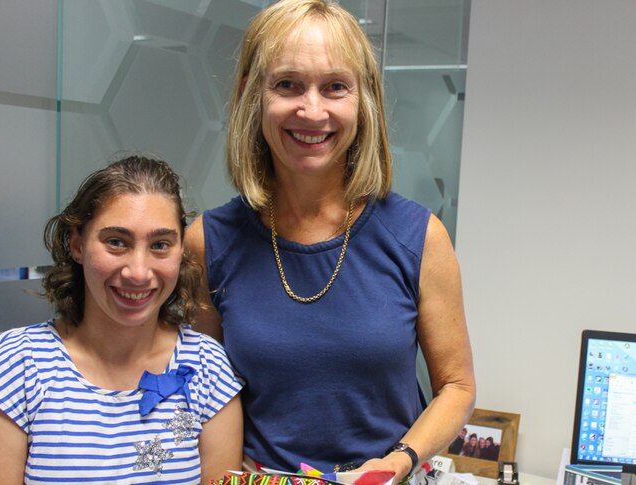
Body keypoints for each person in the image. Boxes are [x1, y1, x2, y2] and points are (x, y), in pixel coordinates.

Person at [186, 0, 475, 480]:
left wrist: (396, 463)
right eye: (287, 85)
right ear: (251, 94)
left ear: (364, 101)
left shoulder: (419, 237)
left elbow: (458, 386)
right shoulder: (209, 242)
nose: (312, 110)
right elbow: (204, 393)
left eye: (336, 87)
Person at [0, 156, 244, 484]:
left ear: (180, 252)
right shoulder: (14, 368)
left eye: (160, 245)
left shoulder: (207, 368)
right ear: (77, 245)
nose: (138, 272)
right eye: (116, 242)